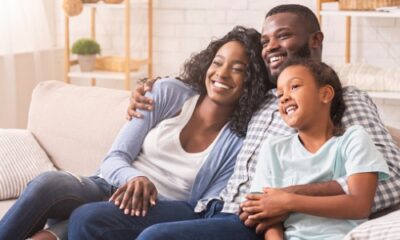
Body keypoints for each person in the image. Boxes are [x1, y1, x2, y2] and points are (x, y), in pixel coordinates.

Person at [71, 4, 400, 240]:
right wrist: (150, 89)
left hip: (252, 220)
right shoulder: (260, 96)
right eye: (266, 42)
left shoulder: (343, 98)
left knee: (155, 238)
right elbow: (208, 86)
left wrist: (288, 201)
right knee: (89, 219)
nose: (270, 48)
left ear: (315, 40)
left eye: (282, 37)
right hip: (207, 206)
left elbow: (392, 182)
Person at [0, 26, 270, 240]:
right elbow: (114, 157)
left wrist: (150, 196)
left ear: (252, 80)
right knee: (47, 184)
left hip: (154, 209)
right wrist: (137, 178)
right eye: (218, 62)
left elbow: (201, 206)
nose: (221, 74)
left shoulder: (239, 139)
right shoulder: (168, 93)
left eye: (237, 69)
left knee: (76, 223)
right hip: (109, 185)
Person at [247, 58, 389, 240]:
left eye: (295, 86)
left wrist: (289, 201)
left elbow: (359, 205)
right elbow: (265, 214)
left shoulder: (353, 140)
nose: (284, 97)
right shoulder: (273, 148)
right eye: (279, 94)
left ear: (325, 94)